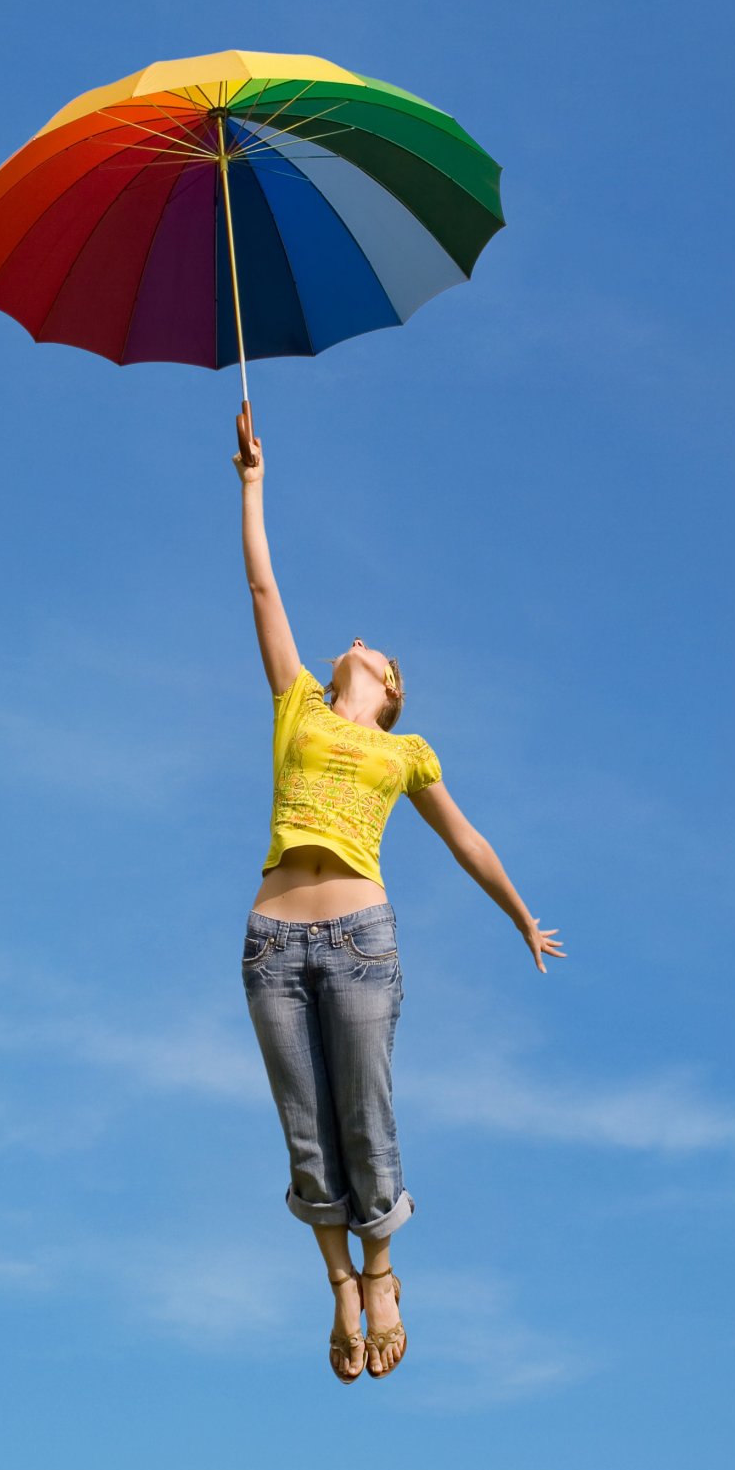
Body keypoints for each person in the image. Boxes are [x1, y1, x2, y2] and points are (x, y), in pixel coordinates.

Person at [233, 407, 565, 1383]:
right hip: (269, 944)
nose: (360, 642)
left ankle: (382, 1271)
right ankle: (340, 1286)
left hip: (359, 939)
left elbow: (465, 835)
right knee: (306, 1132)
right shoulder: (297, 699)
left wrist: (518, 915)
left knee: (365, 1122)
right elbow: (261, 584)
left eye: (374, 652)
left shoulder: (402, 750)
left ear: (387, 691)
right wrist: (253, 484)